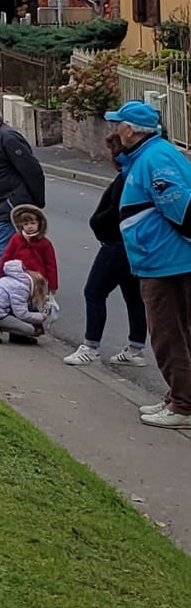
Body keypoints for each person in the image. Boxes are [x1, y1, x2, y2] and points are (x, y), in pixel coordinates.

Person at [105, 100, 191, 429]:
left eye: (118, 125)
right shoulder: (153, 154)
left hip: (165, 262)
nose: (114, 130)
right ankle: (178, 396)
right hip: (165, 259)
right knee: (177, 332)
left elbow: (179, 206)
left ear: (129, 130)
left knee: (168, 334)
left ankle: (183, 404)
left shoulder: (154, 157)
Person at [64, 165, 149, 370]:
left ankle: (91, 347)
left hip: (116, 243)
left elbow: (115, 210)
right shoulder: (139, 173)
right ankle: (135, 348)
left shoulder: (126, 176)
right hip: (132, 243)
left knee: (94, 291)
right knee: (133, 295)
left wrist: (97, 222)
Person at [0, 100, 46, 281]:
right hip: (2, 203)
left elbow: (32, 170)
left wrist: (34, 203)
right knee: (12, 251)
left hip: (11, 204)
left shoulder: (7, 137)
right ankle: (20, 290)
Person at [0, 257, 51, 345]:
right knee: (32, 330)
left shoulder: (13, 280)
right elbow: (21, 314)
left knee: (23, 319)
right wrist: (42, 316)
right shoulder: (21, 288)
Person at [1, 204, 60, 299]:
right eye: (26, 224)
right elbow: (6, 257)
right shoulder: (16, 239)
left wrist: (52, 285)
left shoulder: (45, 243)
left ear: (39, 223)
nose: (29, 226)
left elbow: (51, 265)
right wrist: (0, 275)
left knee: (35, 303)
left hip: (37, 281)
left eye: (33, 223)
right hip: (17, 278)